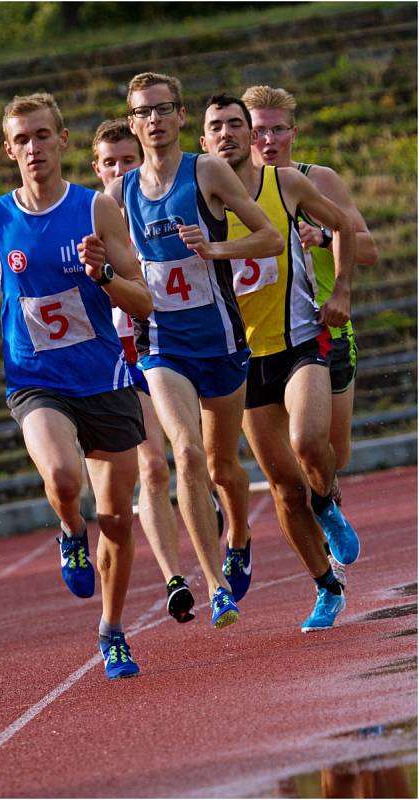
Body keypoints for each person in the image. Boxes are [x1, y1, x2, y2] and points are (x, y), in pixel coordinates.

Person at [0, 92, 153, 680]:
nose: (33, 148)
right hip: (34, 378)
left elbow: (144, 299)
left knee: (119, 519)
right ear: (8, 149)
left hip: (104, 378)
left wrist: (102, 273)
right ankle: (70, 530)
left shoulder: (96, 210)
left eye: (42, 135)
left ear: (63, 140)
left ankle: (111, 630)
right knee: (64, 477)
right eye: (22, 139)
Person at [107, 72, 284, 629]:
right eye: (143, 112)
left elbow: (270, 238)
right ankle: (215, 587)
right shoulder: (120, 194)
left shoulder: (204, 171)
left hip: (222, 340)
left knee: (225, 466)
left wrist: (216, 248)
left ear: (181, 117)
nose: (154, 120)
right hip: (163, 345)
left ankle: (240, 535)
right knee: (184, 454)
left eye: (163, 109)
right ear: (133, 123)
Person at [200, 93, 360, 631]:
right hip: (243, 360)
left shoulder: (284, 184)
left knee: (312, 443)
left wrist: (341, 292)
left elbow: (343, 226)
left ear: (251, 135)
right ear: (203, 144)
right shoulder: (194, 202)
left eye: (235, 125)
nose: (227, 135)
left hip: (299, 340)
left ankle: (327, 504)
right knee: (283, 487)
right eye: (215, 127)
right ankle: (325, 586)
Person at [242, 85, 379, 582]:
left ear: (293, 133)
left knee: (330, 454)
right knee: (292, 465)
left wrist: (322, 236)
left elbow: (367, 249)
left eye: (277, 128)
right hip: (257, 341)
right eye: (257, 129)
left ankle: (327, 495)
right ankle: (319, 536)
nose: (267, 139)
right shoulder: (225, 190)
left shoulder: (315, 180)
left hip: (323, 328)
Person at [92, 118, 224, 624]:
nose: (122, 171)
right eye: (111, 164)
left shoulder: (162, 206)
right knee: (152, 466)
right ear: (97, 169)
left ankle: (215, 515)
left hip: (174, 340)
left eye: (130, 161)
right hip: (121, 352)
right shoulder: (90, 219)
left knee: (197, 455)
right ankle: (174, 577)